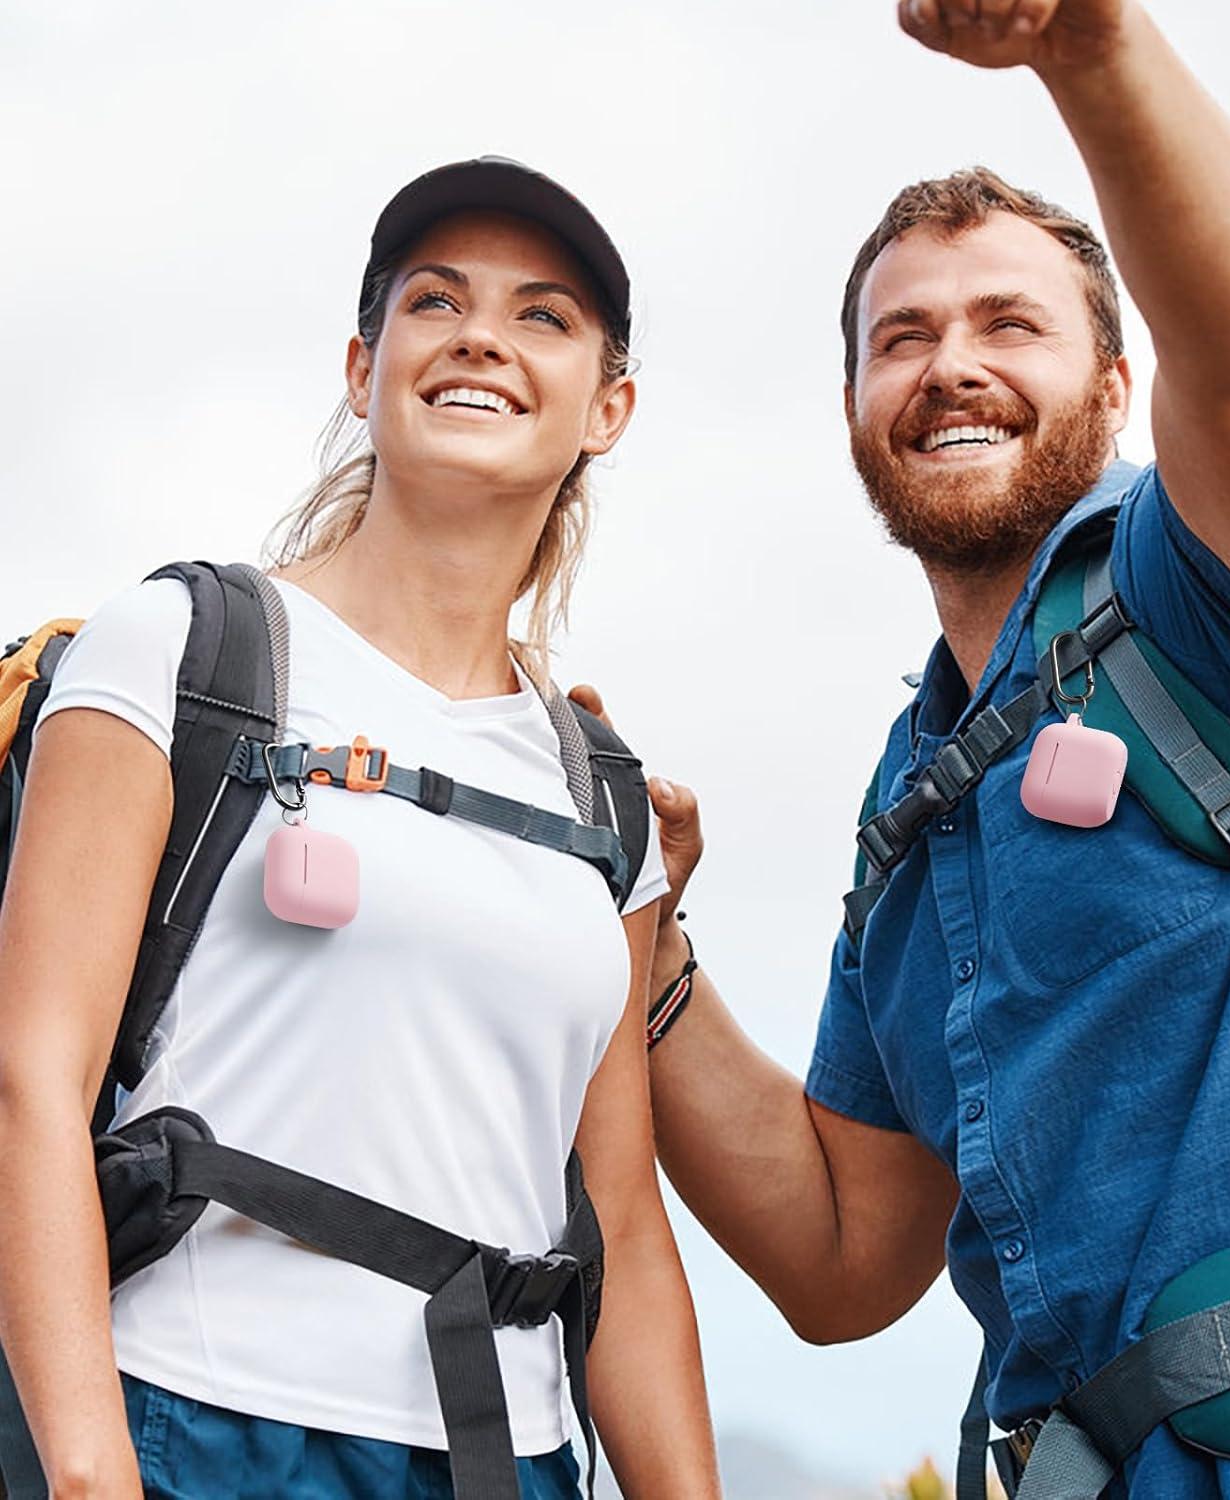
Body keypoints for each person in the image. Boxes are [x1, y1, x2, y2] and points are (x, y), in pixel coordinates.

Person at [621, 3, 1230, 1497]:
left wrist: (1090, 50)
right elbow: (842, 1257)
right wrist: (642, 924)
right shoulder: (912, 808)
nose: (950, 366)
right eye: (902, 339)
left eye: (1009, 324)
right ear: (855, 411)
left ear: (1113, 384)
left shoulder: (1219, 580)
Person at [0, 158, 720, 1500]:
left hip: (511, 1457)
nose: (482, 337)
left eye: (543, 315)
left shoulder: (600, 796)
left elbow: (620, 1215)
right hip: (199, 1427)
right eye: (436, 301)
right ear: (362, 366)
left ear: (607, 409)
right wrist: (91, 1477)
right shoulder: (177, 650)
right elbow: (31, 1083)